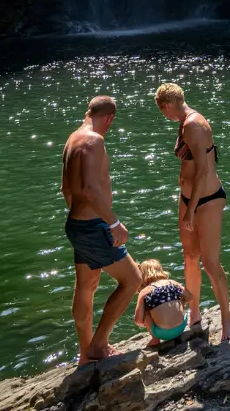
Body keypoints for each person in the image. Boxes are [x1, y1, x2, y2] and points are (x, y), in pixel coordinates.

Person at [61, 95, 142, 364]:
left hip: (76, 224)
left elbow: (67, 189)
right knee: (133, 280)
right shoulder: (95, 141)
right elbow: (89, 189)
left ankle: (85, 353)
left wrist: (81, 219)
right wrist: (113, 222)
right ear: (109, 118)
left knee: (86, 287)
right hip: (95, 225)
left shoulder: (72, 139)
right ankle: (100, 344)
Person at [155, 83, 230, 343]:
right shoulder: (184, 122)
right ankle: (195, 312)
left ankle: (226, 319)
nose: (163, 115)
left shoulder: (193, 125)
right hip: (188, 198)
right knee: (190, 256)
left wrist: (190, 210)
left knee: (210, 263)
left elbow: (202, 170)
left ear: (166, 105)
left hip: (207, 199)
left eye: (161, 110)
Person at [132, 258, 194, 347]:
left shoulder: (145, 292)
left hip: (161, 334)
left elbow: (138, 320)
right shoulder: (173, 283)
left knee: (146, 312)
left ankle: (155, 339)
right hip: (181, 327)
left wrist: (150, 321)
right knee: (178, 299)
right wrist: (181, 303)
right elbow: (190, 297)